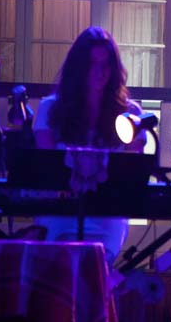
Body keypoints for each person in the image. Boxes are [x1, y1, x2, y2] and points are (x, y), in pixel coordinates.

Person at [33, 26, 144, 260]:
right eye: (92, 64)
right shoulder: (51, 108)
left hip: (108, 214)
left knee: (98, 264)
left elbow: (133, 170)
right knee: (60, 265)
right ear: (79, 68)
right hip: (60, 213)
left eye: (106, 65)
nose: (99, 72)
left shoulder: (130, 113)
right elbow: (47, 168)